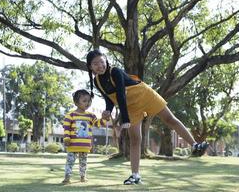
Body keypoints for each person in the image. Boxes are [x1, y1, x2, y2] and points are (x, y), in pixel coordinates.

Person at [86, 49, 209, 185]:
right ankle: (135, 176)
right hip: (131, 106)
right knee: (135, 139)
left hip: (144, 95)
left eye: (101, 62)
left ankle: (195, 145)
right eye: (95, 64)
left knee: (169, 119)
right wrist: (108, 110)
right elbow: (109, 98)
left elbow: (121, 93)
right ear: (90, 67)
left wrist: (125, 119)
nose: (100, 66)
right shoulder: (97, 81)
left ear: (106, 60)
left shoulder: (114, 71)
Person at [61, 89, 106, 184]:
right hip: (72, 145)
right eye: (84, 101)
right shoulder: (71, 115)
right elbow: (66, 127)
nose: (87, 103)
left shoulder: (91, 116)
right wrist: (66, 138)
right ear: (76, 103)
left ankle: (83, 177)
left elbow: (98, 124)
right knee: (70, 162)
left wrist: (104, 119)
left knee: (83, 163)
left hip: (84, 146)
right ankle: (67, 177)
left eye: (89, 101)